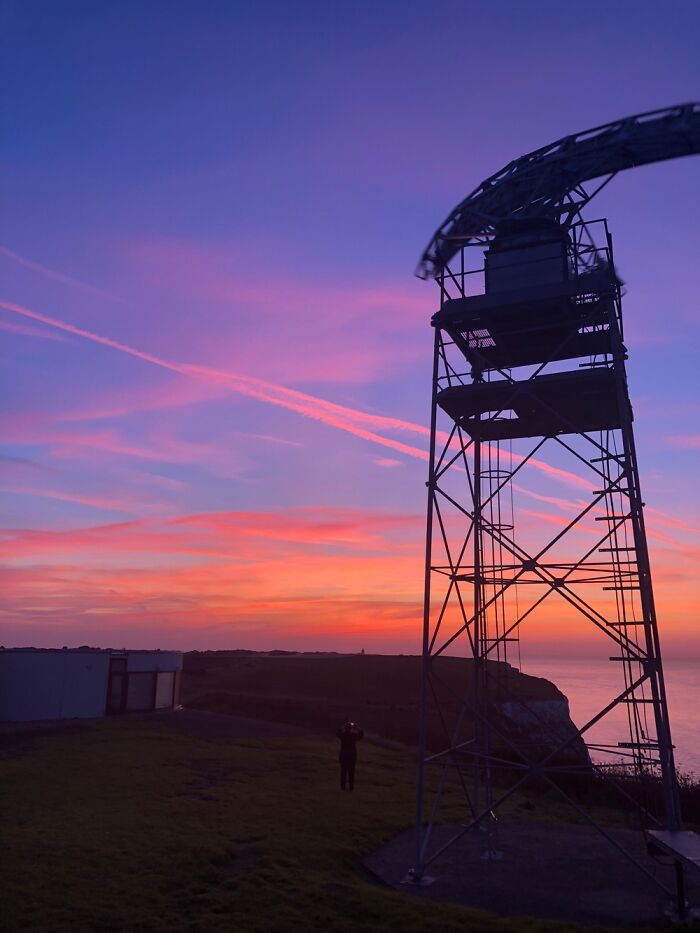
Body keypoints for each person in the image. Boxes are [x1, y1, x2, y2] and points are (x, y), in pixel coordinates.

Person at [336, 720, 364, 791]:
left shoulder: (343, 735)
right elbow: (361, 734)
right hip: (352, 756)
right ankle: (351, 787)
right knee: (351, 773)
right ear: (351, 728)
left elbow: (337, 732)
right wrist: (357, 726)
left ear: (345, 728)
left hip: (343, 756)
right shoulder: (353, 735)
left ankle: (343, 787)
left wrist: (343, 725)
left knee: (343, 772)